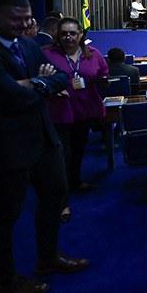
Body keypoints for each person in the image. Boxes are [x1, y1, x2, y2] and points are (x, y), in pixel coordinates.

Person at [0, 0, 87, 293]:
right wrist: (40, 86)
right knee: (5, 216)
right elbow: (10, 98)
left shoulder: (27, 45)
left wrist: (33, 84)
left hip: (42, 139)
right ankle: (6, 280)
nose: (25, 24)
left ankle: (48, 258)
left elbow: (61, 79)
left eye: (28, 18)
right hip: (3, 147)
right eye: (16, 19)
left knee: (55, 197)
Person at [43, 18, 109, 197]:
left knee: (78, 148)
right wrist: (51, 87)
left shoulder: (93, 54)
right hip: (59, 111)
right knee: (62, 153)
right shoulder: (47, 54)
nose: (68, 37)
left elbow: (103, 73)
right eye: (64, 33)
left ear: (81, 34)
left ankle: (75, 180)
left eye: (73, 33)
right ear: (57, 35)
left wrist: (104, 81)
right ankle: (60, 194)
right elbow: (38, 78)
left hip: (85, 109)